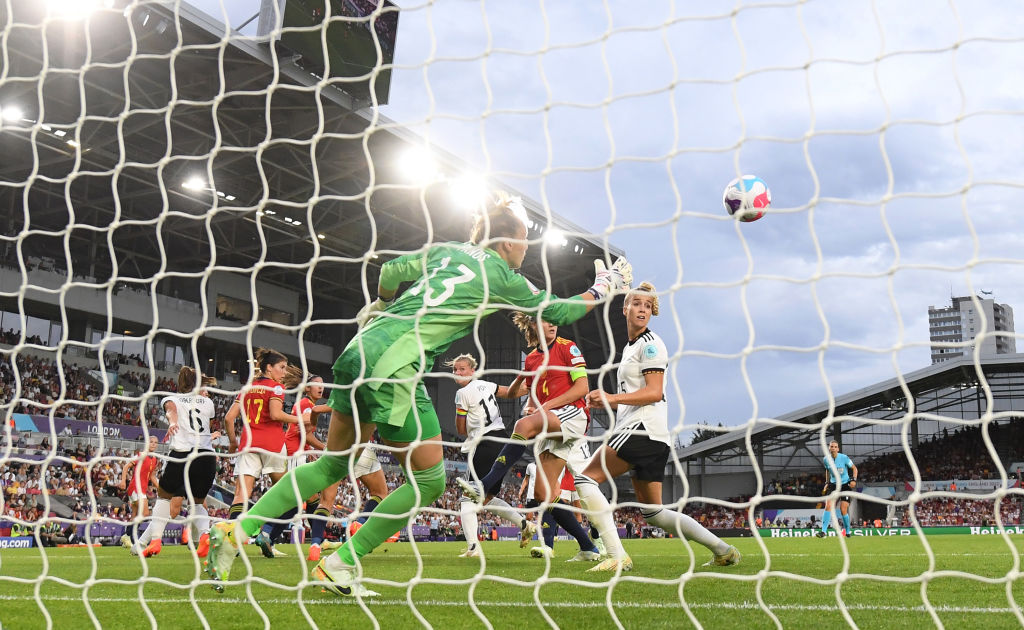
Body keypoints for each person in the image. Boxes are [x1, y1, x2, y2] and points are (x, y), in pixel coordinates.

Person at [204, 191, 631, 596]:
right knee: (428, 480)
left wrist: (382, 302)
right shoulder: (502, 274)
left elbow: (389, 273)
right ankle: (341, 563)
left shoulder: (447, 250)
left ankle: (235, 531)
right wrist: (604, 287)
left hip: (361, 349)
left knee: (335, 464)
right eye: (523, 241)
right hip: (395, 365)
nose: (525, 250)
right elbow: (558, 310)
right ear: (507, 242)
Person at [575, 283, 741, 572]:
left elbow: (654, 392)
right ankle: (723, 550)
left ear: (652, 312)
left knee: (584, 480)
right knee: (653, 512)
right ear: (624, 308)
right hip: (654, 434)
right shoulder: (631, 347)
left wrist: (611, 398)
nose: (642, 309)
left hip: (641, 428)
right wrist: (609, 402)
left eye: (647, 306)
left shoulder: (651, 344)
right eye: (636, 304)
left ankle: (616, 555)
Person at [459, 313, 602, 563]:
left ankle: (483, 485)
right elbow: (517, 392)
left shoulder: (568, 348)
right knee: (544, 494)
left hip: (574, 414)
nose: (554, 322)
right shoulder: (533, 359)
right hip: (553, 422)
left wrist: (543, 409)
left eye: (553, 318)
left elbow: (582, 389)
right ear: (534, 325)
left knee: (523, 424)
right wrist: (522, 379)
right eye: (547, 319)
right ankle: (588, 546)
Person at [449, 353, 537, 558]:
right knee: (487, 497)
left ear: (472, 370)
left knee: (466, 497)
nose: (458, 372)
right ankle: (524, 524)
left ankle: (473, 547)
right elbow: (512, 393)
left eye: (462, 369)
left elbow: (461, 429)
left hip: (483, 444)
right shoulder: (487, 385)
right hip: (503, 441)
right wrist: (532, 386)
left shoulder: (462, 393)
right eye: (455, 369)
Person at [129, 367, 219, 559]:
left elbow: (171, 411)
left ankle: (155, 539)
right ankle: (204, 534)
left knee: (163, 498)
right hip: (206, 457)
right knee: (197, 504)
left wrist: (172, 422)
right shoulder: (209, 403)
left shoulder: (171, 398)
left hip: (181, 455)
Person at [222, 348, 299, 558]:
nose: (284, 372)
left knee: (241, 495)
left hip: (248, 444)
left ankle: (233, 542)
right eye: (281, 368)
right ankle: (266, 534)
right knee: (286, 495)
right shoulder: (276, 388)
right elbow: (275, 414)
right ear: (268, 368)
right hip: (273, 445)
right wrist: (299, 419)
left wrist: (232, 441)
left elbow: (229, 418)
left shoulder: (247, 388)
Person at [118, 435, 159, 548]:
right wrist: (123, 481)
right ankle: (129, 536)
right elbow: (126, 466)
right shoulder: (140, 455)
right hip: (135, 487)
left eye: (156, 442)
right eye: (151, 442)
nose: (153, 444)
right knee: (145, 514)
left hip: (142, 489)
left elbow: (151, 476)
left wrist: (159, 488)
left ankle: (127, 537)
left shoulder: (155, 459)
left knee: (135, 515)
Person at [816, 440, 858, 537]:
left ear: (838, 449)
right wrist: (827, 482)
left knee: (843, 509)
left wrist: (854, 480)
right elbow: (827, 470)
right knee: (828, 505)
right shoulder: (826, 459)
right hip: (833, 485)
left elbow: (854, 468)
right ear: (829, 448)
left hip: (845, 485)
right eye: (831, 446)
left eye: (835, 447)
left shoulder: (844, 458)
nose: (833, 448)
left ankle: (847, 531)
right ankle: (823, 532)